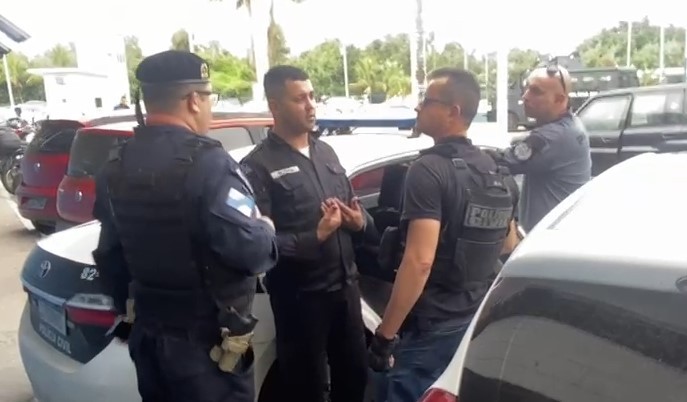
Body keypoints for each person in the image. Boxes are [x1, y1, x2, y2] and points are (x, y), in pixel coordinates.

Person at [91, 50, 278, 402]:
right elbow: (252, 253)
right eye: (209, 98)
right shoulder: (210, 165)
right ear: (194, 100)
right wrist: (265, 228)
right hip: (206, 352)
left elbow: (110, 255)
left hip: (149, 341)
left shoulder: (115, 165)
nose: (209, 108)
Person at [369, 68, 520, 402]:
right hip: (473, 316)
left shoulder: (428, 170)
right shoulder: (495, 170)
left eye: (427, 100)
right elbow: (509, 245)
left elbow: (419, 261)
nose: (418, 107)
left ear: (453, 111)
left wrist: (384, 335)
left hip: (431, 324)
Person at [241, 65, 376, 402]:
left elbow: (356, 211)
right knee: (306, 389)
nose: (311, 105)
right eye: (300, 98)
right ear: (275, 106)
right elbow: (259, 244)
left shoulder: (325, 151)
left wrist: (358, 223)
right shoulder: (257, 166)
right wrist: (314, 236)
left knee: (355, 380)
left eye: (312, 96)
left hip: (346, 290)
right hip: (301, 300)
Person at [486, 62, 591, 232]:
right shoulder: (571, 124)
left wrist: (464, 151)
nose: (525, 96)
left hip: (549, 239)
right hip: (562, 230)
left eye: (536, 92)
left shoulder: (551, 137)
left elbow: (502, 162)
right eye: (527, 88)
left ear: (559, 99)